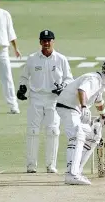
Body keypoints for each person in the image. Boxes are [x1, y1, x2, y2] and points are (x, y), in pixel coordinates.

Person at [55, 59, 105, 185]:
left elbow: (98, 101)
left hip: (75, 109)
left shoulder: (101, 84)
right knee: (77, 135)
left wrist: (103, 115)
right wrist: (84, 106)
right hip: (68, 107)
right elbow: (82, 90)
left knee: (94, 136)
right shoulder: (94, 79)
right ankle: (71, 174)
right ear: (104, 69)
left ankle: (76, 171)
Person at [17, 30, 74, 174]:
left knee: (53, 131)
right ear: (40, 42)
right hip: (36, 97)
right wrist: (22, 88)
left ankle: (50, 165)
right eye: (44, 40)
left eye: (49, 40)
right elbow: (24, 76)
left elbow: (69, 78)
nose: (46, 43)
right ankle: (31, 165)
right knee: (32, 131)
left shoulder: (61, 59)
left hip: (53, 99)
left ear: (53, 41)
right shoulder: (32, 58)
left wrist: (63, 87)